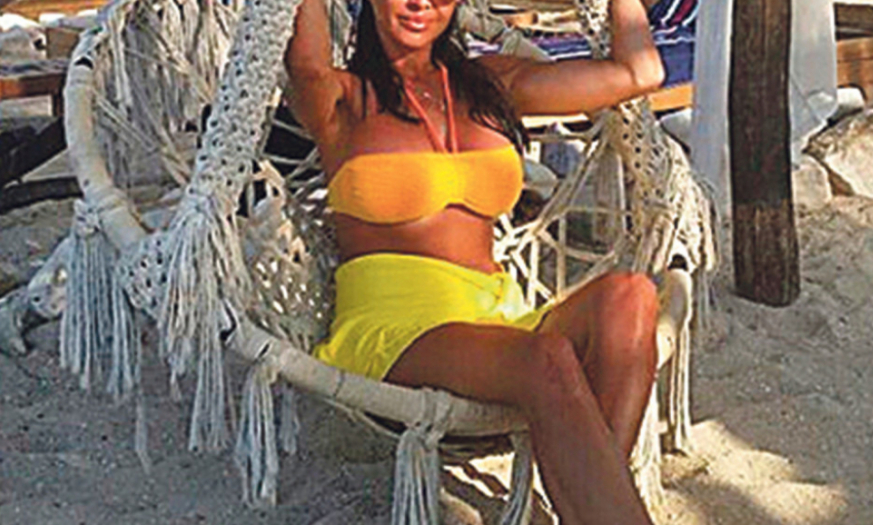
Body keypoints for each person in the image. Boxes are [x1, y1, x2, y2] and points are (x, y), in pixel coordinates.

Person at [284, 0, 664, 520]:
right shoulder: (339, 97)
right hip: (394, 330)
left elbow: (640, 73)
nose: (420, 3)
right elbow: (304, 60)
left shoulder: (488, 84)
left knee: (631, 295)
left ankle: (593, 506)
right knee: (546, 359)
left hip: (496, 319)